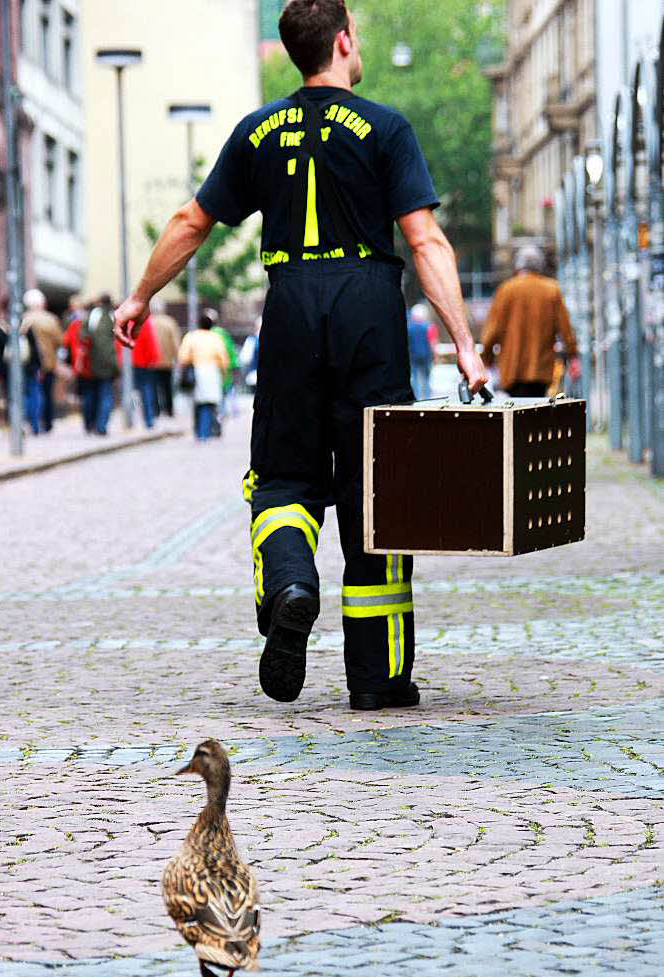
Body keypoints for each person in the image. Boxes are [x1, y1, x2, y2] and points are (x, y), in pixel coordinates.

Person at [114, 0, 487, 712]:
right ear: (343, 40)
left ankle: (290, 584)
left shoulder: (255, 131)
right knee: (376, 488)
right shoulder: (385, 128)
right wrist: (463, 347)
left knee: (284, 476)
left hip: (287, 304)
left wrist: (137, 298)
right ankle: (377, 679)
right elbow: (425, 241)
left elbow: (192, 221)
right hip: (370, 309)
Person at [482, 245, 580, 398]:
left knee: (515, 411)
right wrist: (573, 356)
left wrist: (486, 359)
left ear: (518, 266)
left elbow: (492, 330)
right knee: (537, 412)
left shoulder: (506, 290)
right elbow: (565, 329)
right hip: (541, 369)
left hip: (512, 368)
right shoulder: (552, 290)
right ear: (540, 266)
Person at [0, 296, 42, 434]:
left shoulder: (1, 327)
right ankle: (33, 425)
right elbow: (34, 348)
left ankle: (15, 425)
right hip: (28, 366)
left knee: (11, 397)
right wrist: (38, 366)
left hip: (8, 368)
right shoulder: (26, 325)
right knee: (31, 395)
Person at [177, 308, 228, 440]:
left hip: (196, 371)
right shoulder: (216, 338)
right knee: (208, 403)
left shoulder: (191, 337)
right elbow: (223, 359)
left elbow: (183, 357)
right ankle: (205, 431)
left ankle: (199, 431)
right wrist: (224, 374)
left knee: (198, 403)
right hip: (211, 372)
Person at [21, 288, 63, 432]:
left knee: (30, 393)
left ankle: (33, 422)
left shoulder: (23, 319)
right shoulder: (50, 319)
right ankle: (47, 423)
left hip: (29, 363)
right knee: (46, 393)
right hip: (48, 362)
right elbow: (60, 340)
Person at [85, 295, 118, 435]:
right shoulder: (111, 318)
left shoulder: (92, 317)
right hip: (107, 364)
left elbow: (83, 336)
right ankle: (101, 426)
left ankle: (90, 424)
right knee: (105, 395)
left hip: (91, 363)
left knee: (91, 395)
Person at [64, 295, 95, 432]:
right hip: (92, 361)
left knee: (86, 393)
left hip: (80, 363)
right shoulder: (92, 320)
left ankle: (88, 422)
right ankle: (93, 421)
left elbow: (66, 342)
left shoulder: (73, 323)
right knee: (93, 392)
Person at [149, 296, 181, 416]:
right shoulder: (170, 322)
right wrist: (178, 358)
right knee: (167, 387)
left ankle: (155, 411)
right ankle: (169, 410)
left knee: (153, 387)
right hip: (167, 361)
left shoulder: (149, 323)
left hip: (152, 362)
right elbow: (175, 342)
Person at [131, 314, 159, 428]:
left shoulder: (127, 323)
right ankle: (148, 420)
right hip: (144, 363)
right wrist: (153, 359)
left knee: (130, 392)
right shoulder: (145, 323)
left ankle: (132, 419)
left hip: (130, 364)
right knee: (147, 391)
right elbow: (150, 342)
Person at [407, 302, 433, 401]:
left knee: (415, 379)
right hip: (426, 355)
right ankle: (427, 398)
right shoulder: (428, 327)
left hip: (413, 356)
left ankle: (416, 398)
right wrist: (435, 356)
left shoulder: (409, 328)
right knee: (426, 379)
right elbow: (432, 342)